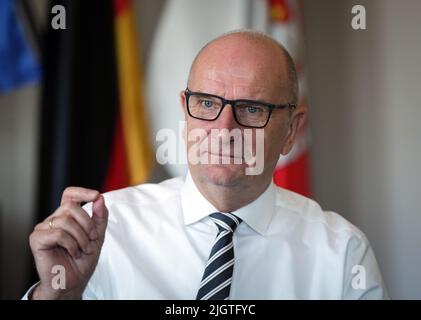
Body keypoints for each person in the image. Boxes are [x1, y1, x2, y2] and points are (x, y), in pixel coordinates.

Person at [24, 30, 387, 299]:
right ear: (185, 109)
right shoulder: (102, 231)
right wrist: (57, 295)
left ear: (291, 130)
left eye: (252, 109)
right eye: (208, 104)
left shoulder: (342, 253)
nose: (224, 129)